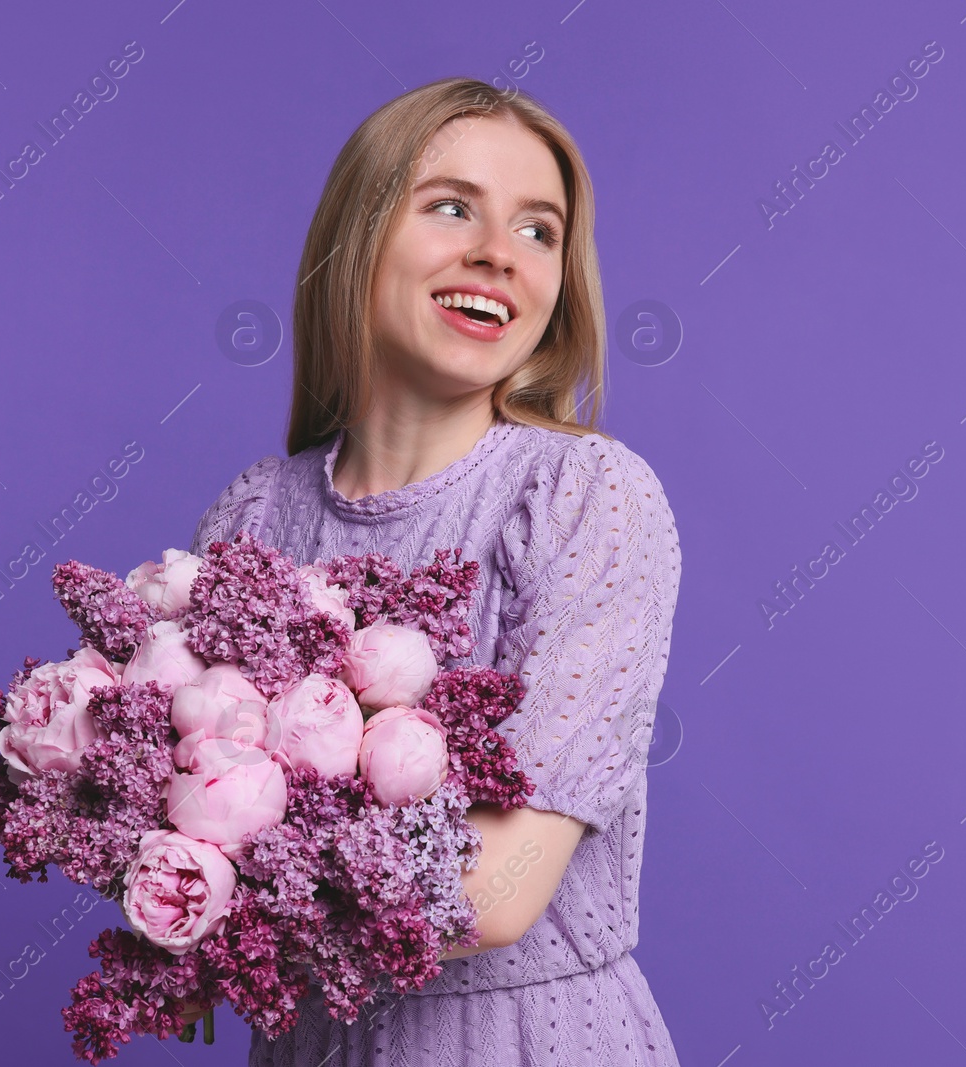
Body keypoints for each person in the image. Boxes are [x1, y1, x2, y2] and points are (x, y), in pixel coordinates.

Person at [189, 76, 683, 1066]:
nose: (499, 252)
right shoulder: (255, 515)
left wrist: (201, 878)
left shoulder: (585, 496)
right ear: (356, 239)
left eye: (539, 229)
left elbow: (494, 890)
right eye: (451, 206)